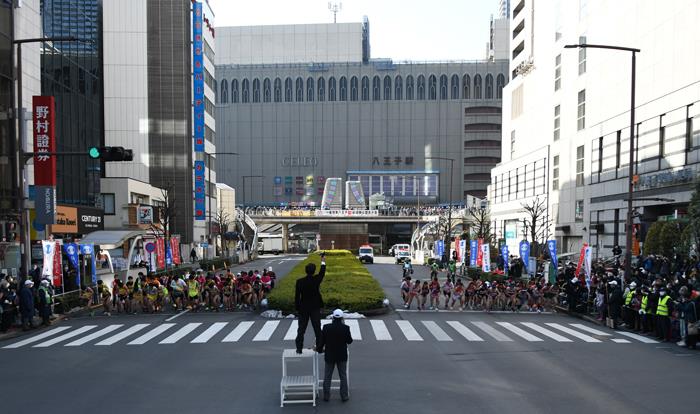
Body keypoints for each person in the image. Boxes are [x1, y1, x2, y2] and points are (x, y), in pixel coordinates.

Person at [294, 252, 327, 354]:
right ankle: (320, 348)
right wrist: (323, 261)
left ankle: (299, 349)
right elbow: (322, 272)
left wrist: (297, 308)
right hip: (315, 307)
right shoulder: (316, 280)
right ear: (313, 271)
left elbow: (297, 297)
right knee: (317, 329)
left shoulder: (299, 282)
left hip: (303, 307)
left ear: (306, 271)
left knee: (301, 329)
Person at [318, 309, 353, 403]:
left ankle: (326, 395)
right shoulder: (345, 328)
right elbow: (349, 341)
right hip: (342, 355)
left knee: (327, 376)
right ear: (342, 318)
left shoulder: (326, 327)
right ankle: (344, 396)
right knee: (343, 376)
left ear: (333, 317)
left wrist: (319, 350)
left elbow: (322, 342)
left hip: (330, 355)